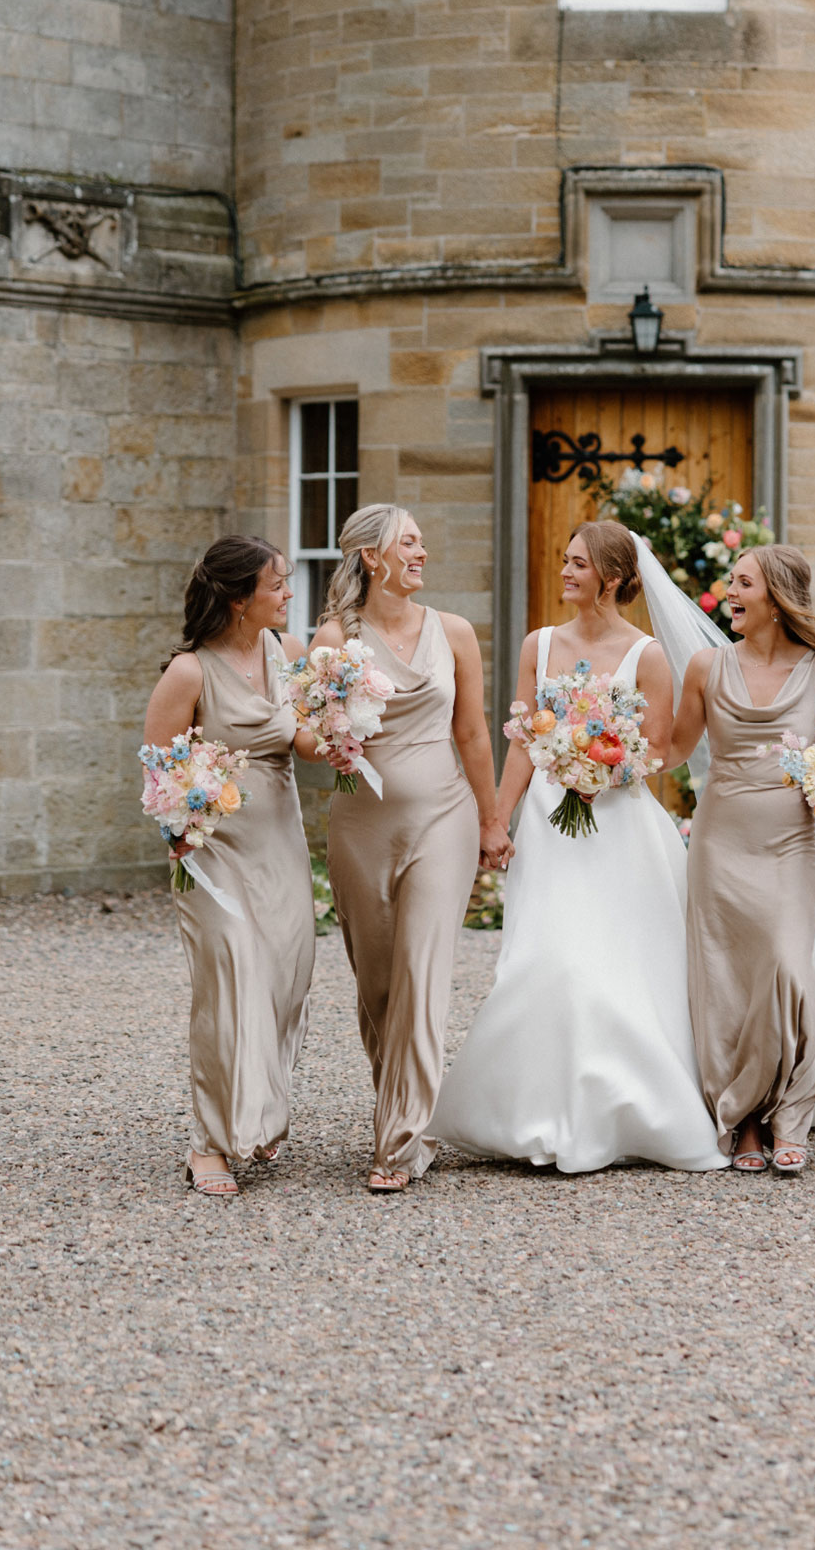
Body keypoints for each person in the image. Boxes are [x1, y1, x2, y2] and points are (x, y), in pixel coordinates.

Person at [431, 520, 729, 1173]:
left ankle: (621, 1111)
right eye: (564, 561)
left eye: (578, 565)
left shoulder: (646, 654)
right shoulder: (539, 644)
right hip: (547, 823)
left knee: (615, 965)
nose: (564, 572)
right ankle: (533, 1114)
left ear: (614, 579)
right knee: (546, 957)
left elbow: (656, 752)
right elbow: (519, 740)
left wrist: (602, 766)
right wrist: (498, 820)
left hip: (619, 826)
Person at [314, 504, 510, 1192]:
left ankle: (399, 1142)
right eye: (409, 543)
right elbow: (313, 737)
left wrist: (491, 821)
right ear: (372, 557)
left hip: (443, 819)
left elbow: (475, 734)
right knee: (379, 984)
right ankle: (398, 1103)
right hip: (361, 827)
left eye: (423, 542)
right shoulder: (335, 638)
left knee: (423, 972)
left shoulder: (453, 633)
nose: (422, 553)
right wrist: (330, 734)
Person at [141, 537, 317, 1197]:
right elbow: (157, 771)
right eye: (278, 585)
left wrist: (342, 735)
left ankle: (262, 1112)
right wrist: (180, 827)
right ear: (240, 599)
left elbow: (299, 736)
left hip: (280, 837)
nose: (289, 595)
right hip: (213, 851)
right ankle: (210, 1143)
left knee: (286, 976)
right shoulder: (189, 673)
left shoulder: (288, 654)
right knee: (230, 979)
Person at [671, 546, 815, 1175]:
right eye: (732, 580)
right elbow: (671, 751)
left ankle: (791, 1112)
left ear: (776, 597)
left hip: (793, 846)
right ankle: (743, 1117)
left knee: (787, 969)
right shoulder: (705, 667)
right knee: (727, 981)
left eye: (743, 582)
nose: (730, 592)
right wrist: (589, 753)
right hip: (721, 843)